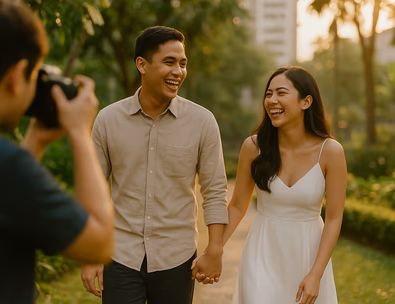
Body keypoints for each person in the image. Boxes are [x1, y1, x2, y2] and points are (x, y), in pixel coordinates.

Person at [80, 26, 228, 304]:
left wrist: (215, 249)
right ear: (142, 65)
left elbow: (215, 190)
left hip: (177, 257)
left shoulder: (202, 122)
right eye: (169, 62)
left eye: (183, 63)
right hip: (120, 255)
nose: (178, 72)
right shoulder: (108, 120)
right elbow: (93, 192)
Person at [0, 1, 114, 303]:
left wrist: (36, 142)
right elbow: (98, 243)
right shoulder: (9, 166)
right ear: (17, 75)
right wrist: (80, 133)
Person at [222, 66, 346, 303]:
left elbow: (333, 218)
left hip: (308, 256)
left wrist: (315, 274)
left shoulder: (330, 152)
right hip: (262, 253)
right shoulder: (253, 147)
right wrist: (214, 249)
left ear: (306, 101)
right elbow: (237, 205)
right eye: (268, 94)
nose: (272, 100)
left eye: (281, 93)